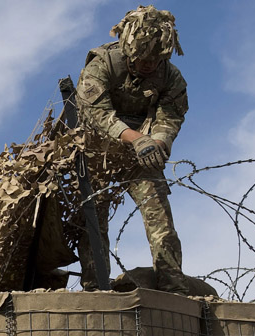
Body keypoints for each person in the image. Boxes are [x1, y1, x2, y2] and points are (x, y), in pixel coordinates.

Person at [76, 4, 188, 294]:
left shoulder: (170, 77)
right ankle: (95, 288)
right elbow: (95, 114)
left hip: (142, 152)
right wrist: (134, 138)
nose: (149, 65)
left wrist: (158, 142)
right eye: (142, 59)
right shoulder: (102, 65)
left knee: (159, 215)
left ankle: (173, 286)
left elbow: (171, 115)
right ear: (129, 49)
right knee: (93, 218)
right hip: (97, 149)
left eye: (155, 59)